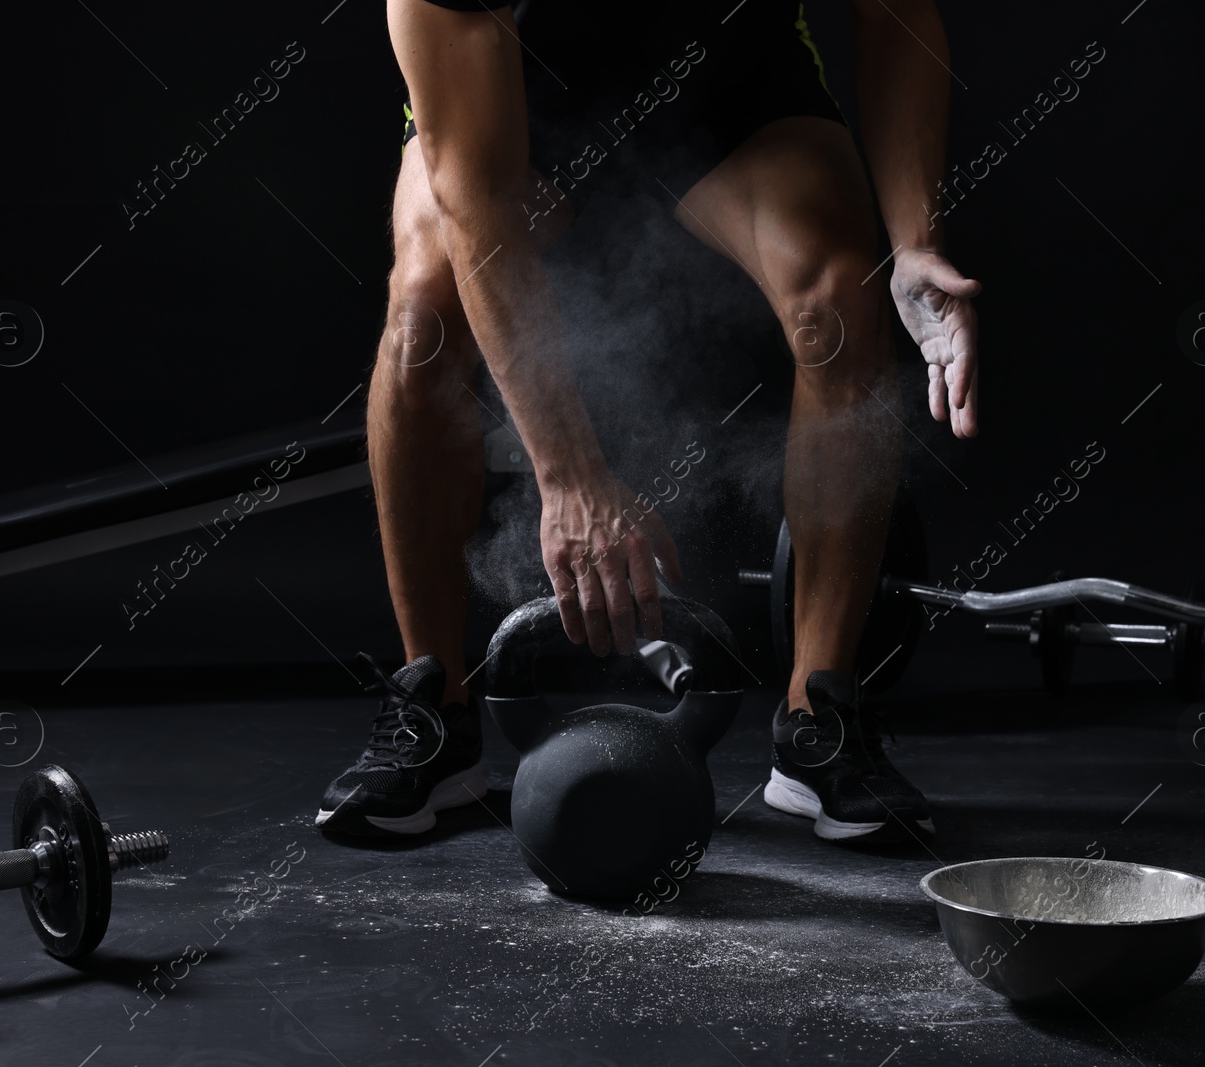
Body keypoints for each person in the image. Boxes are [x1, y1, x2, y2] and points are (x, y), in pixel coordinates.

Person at [317, 0, 980, 843]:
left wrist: (915, 244)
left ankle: (819, 716)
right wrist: (569, 479)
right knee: (421, 315)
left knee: (840, 297)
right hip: (523, 96)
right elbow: (477, 208)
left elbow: (897, 17)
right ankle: (435, 712)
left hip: (724, 78)